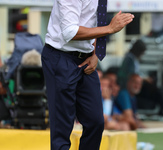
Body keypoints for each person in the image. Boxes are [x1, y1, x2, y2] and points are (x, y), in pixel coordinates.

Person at [41, 0, 135, 149]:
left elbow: (97, 19)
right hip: (60, 57)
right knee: (62, 126)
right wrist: (110, 29)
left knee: (95, 121)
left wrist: (96, 54)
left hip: (86, 57)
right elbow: (69, 32)